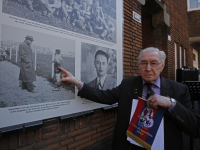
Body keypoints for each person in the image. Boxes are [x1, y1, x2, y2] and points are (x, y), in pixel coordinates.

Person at [58, 47, 200, 150]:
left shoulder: (179, 90)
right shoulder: (128, 84)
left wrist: (171, 103)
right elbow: (105, 96)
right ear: (139, 66)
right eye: (144, 63)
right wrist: (77, 82)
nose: (148, 68)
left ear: (162, 66)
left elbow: (195, 127)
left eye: (154, 63)